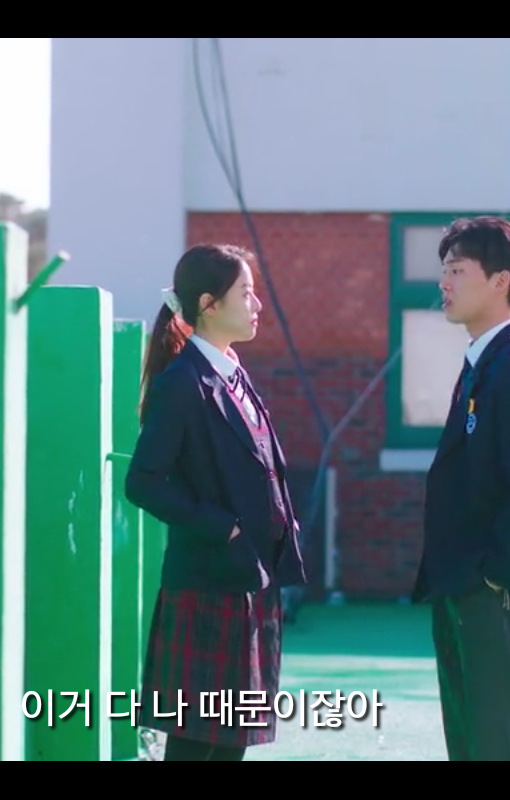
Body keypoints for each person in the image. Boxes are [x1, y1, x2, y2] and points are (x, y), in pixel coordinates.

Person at [125, 242, 307, 761]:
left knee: (232, 742)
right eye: (245, 293)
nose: (257, 304)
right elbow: (143, 481)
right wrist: (221, 526)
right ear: (208, 303)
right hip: (208, 581)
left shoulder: (231, 371)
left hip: (249, 578)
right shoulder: (184, 382)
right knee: (194, 744)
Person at [412, 216, 510, 761]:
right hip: (463, 589)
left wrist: (498, 578)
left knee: (501, 748)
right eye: (444, 270)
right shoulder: (483, 362)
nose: (444, 282)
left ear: (500, 281)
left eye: (457, 270)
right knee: (471, 746)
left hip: (495, 596)